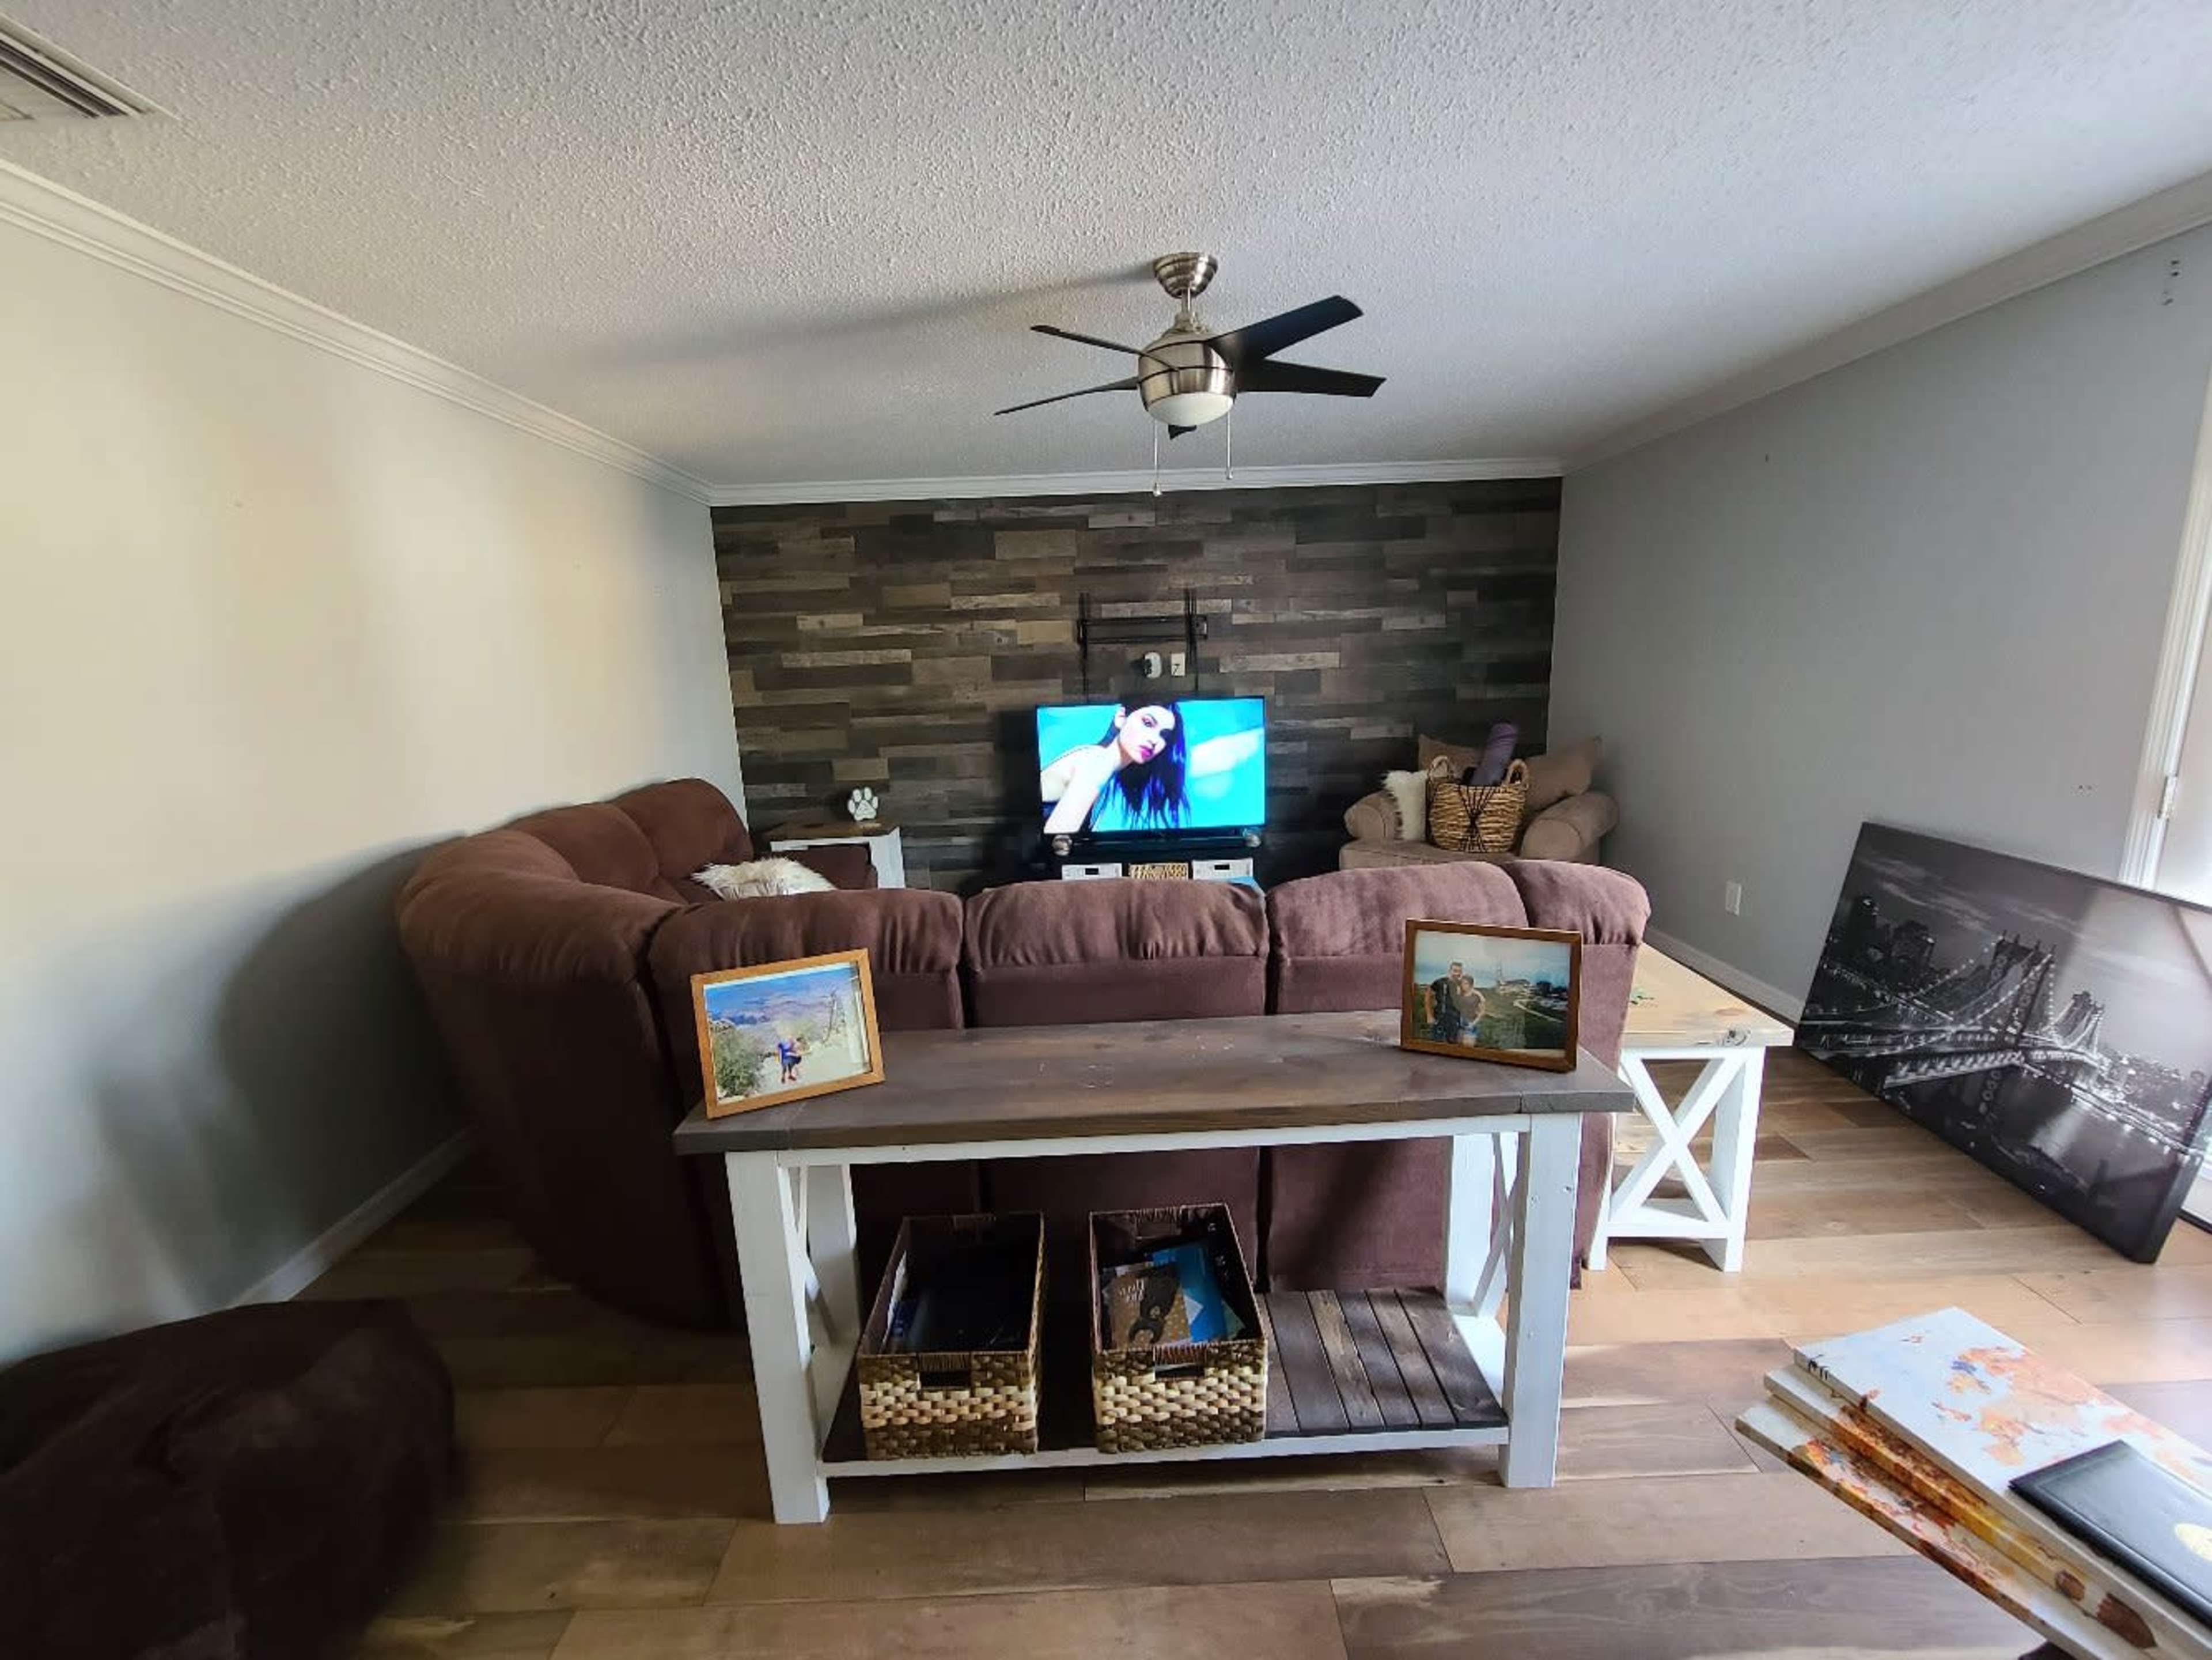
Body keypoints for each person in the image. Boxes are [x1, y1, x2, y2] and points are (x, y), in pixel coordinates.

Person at [1038, 700, 1263, 835]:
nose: (1155, 740)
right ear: (1121, 718)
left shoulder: (1107, 766)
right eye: (1148, 723)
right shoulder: (1098, 761)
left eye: (1164, 735)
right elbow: (1058, 839)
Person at [1428, 962, 1485, 1044]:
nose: (1457, 973)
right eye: (1455, 971)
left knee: (1453, 1045)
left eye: (1459, 971)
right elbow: (1428, 995)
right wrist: (1429, 1015)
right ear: (1450, 971)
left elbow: (1470, 990)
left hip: (1455, 1022)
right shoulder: (1440, 982)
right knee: (1437, 1044)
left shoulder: (1460, 984)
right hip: (1440, 1019)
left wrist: (1481, 996)